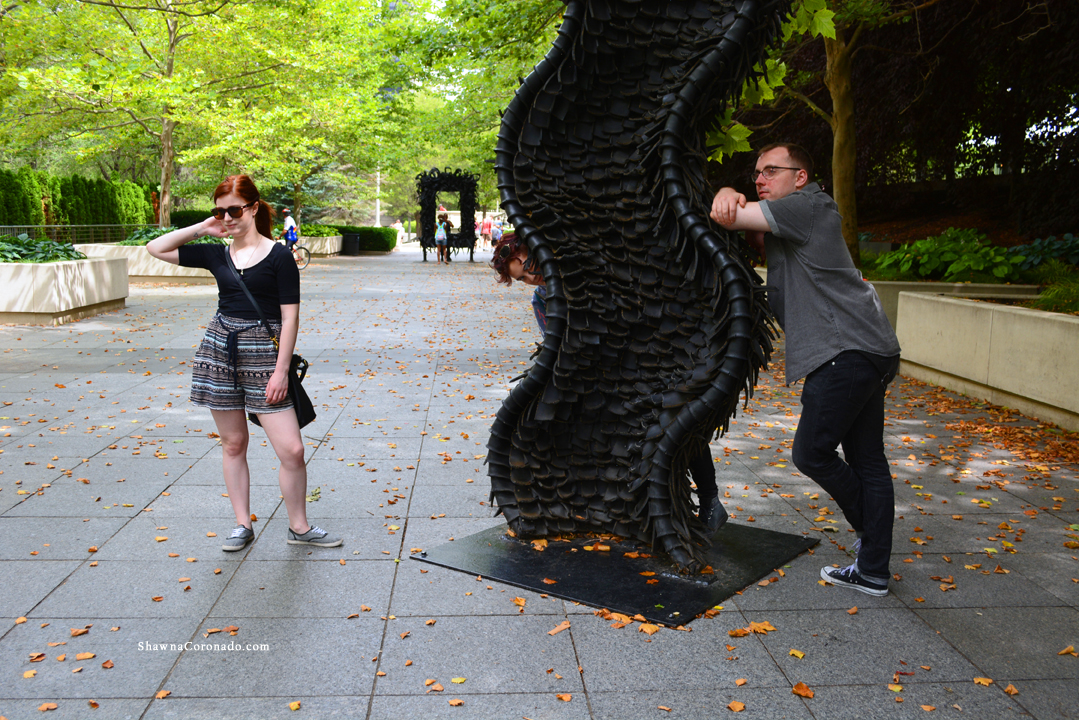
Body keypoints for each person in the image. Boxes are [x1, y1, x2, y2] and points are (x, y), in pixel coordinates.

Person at [711, 143, 901, 596]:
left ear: (801, 176)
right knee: (868, 460)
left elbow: (728, 216)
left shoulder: (806, 205)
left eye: (771, 171)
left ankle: (872, 537)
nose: (760, 179)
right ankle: (872, 569)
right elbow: (753, 234)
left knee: (811, 453)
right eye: (756, 173)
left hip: (843, 353)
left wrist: (724, 191)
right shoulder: (793, 221)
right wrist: (737, 198)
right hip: (870, 347)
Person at [147, 175, 342, 553]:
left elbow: (290, 318)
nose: (227, 217)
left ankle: (298, 526)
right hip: (220, 352)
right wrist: (204, 226)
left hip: (263, 356)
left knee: (292, 450)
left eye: (234, 209)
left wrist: (281, 370)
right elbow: (157, 248)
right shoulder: (216, 253)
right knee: (234, 443)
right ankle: (241, 524)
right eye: (220, 211)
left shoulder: (280, 256)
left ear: (253, 208)